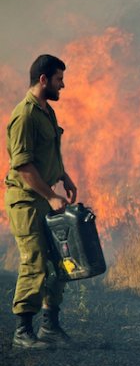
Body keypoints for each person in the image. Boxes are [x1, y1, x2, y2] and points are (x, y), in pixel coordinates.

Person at [4, 54, 78, 350]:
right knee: (35, 262)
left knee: (58, 263)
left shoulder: (46, 112)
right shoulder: (24, 115)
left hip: (45, 199)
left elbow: (47, 154)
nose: (64, 85)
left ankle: (50, 326)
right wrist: (51, 195)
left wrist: (64, 176)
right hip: (27, 201)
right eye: (59, 79)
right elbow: (23, 167)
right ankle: (22, 331)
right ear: (44, 80)